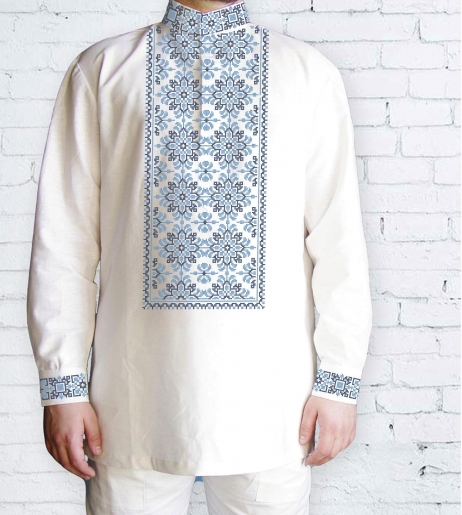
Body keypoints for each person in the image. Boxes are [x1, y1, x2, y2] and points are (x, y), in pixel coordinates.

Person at [26, 0, 372, 513]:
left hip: (274, 403)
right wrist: (63, 387)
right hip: (130, 403)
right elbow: (64, 241)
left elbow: (338, 240)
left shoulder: (307, 73)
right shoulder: (102, 69)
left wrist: (339, 383)